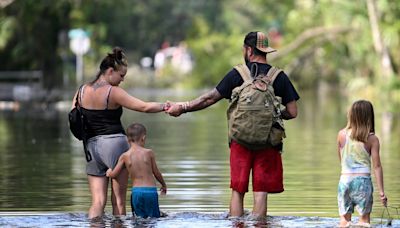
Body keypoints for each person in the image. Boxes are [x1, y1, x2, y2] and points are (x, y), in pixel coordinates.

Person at [166, 31, 300, 218]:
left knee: (238, 190)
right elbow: (293, 112)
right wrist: (274, 114)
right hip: (268, 142)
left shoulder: (238, 74)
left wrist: (183, 107)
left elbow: (209, 98)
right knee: (260, 192)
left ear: (248, 50)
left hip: (240, 141)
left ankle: (236, 223)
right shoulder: (279, 76)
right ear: (265, 51)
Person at [70, 47, 167, 219]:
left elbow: (73, 116)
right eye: (121, 76)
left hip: (91, 148)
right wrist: (166, 106)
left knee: (97, 202)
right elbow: (143, 107)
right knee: (118, 202)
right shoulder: (112, 92)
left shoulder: (81, 91)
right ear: (109, 71)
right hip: (115, 145)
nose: (122, 80)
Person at [337, 100, 387, 227]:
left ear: (351, 115)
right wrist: (381, 192)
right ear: (369, 116)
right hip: (363, 182)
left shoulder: (341, 134)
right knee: (364, 222)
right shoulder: (372, 139)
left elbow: (341, 160)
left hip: (345, 180)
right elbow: (377, 166)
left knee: (344, 221)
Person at [106, 123, 167, 218]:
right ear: (143, 138)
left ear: (127, 139)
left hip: (136, 193)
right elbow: (156, 173)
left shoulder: (125, 156)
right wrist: (163, 184)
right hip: (150, 192)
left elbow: (114, 174)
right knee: (153, 219)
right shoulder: (149, 153)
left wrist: (109, 172)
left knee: (138, 220)